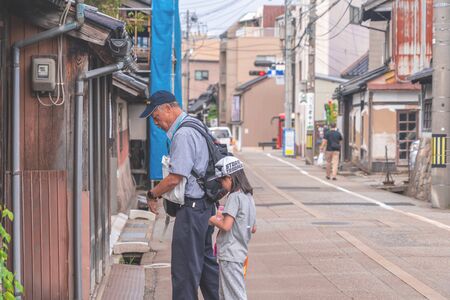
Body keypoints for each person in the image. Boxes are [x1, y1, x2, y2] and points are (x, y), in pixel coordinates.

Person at [141, 90, 219, 300]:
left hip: (192, 210)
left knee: (184, 269)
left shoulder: (183, 134)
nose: (155, 123)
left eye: (156, 117)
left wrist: (152, 193)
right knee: (205, 265)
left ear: (168, 108)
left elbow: (176, 177)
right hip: (205, 206)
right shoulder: (196, 124)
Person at [208, 156, 256, 300]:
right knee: (226, 294)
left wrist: (211, 218)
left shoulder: (234, 197)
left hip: (230, 253)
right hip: (240, 251)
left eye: (222, 180)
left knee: (235, 294)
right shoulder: (248, 196)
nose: (221, 185)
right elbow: (253, 227)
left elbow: (226, 226)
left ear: (230, 178)